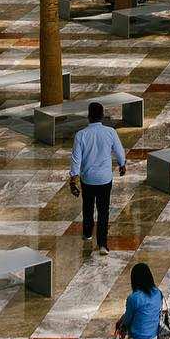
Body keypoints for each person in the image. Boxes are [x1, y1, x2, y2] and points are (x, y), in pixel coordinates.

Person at [69, 102, 126, 254]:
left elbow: (76, 159)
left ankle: (87, 233)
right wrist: (122, 164)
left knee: (87, 207)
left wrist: (73, 180)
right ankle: (102, 244)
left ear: (88, 116)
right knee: (103, 211)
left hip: (87, 179)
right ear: (102, 116)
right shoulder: (110, 132)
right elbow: (119, 152)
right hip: (105, 179)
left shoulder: (81, 135)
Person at [110, 260, 165, 339]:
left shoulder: (133, 298)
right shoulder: (158, 293)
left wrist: (120, 324)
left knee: (122, 325)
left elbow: (128, 319)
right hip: (154, 336)